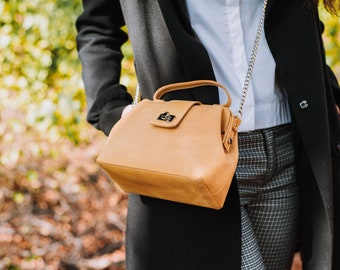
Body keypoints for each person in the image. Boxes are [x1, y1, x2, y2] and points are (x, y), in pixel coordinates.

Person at [76, 0, 340, 269]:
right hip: (189, 154)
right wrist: (109, 107)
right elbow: (98, 24)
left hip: (286, 146)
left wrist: (329, 92)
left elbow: (303, 24)